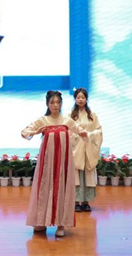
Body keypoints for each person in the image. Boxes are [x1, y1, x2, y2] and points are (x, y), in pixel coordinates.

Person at [21, 90, 87, 238]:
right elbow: (24, 132)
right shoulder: (43, 120)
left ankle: (61, 224)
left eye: (58, 102)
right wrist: (36, 131)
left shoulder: (67, 121)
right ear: (47, 104)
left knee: (62, 187)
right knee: (45, 187)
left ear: (61, 104)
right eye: (52, 102)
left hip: (63, 162)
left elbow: (81, 131)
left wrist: (84, 133)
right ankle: (41, 220)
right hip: (47, 162)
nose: (55, 105)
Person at [70, 88, 103, 212]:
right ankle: (76, 201)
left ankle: (86, 202)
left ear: (86, 99)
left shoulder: (92, 115)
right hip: (76, 148)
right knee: (76, 174)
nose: (80, 100)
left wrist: (89, 135)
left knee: (87, 174)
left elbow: (99, 130)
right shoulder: (70, 115)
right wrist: (78, 136)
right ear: (75, 99)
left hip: (88, 148)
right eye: (78, 97)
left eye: (83, 97)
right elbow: (68, 131)